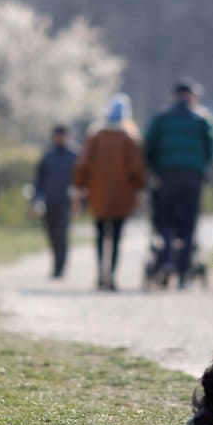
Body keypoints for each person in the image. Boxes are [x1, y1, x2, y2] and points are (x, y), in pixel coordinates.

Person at [143, 78, 213, 288]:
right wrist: (201, 169)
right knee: (188, 224)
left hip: (166, 176)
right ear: (192, 96)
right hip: (192, 177)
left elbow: (149, 147)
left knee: (165, 220)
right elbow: (210, 148)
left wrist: (155, 170)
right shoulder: (202, 119)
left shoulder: (161, 118)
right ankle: (184, 272)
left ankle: (166, 259)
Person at [73, 94, 146, 291]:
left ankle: (99, 274)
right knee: (116, 236)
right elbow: (136, 169)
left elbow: (83, 164)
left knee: (99, 234)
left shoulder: (95, 135)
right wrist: (139, 188)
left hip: (97, 194)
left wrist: (80, 186)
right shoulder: (130, 137)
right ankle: (111, 276)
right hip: (122, 197)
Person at [33, 124, 78, 279]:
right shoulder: (48, 156)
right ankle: (56, 262)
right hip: (49, 201)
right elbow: (39, 180)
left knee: (62, 234)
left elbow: (81, 180)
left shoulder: (75, 155)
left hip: (66, 202)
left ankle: (60, 266)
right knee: (52, 233)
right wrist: (36, 199)